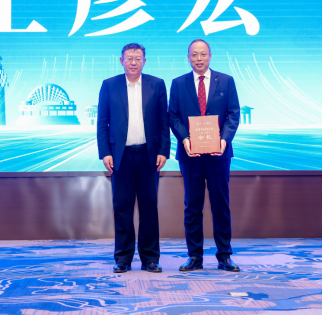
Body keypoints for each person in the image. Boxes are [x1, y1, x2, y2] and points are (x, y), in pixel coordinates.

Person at [97, 43, 171, 273]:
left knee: (149, 207)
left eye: (138, 58)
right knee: (122, 207)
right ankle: (123, 259)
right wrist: (105, 152)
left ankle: (150, 259)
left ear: (144, 61)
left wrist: (164, 150)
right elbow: (102, 122)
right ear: (121, 61)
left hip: (149, 155)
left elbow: (163, 121)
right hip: (120, 156)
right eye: (129, 58)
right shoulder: (109, 85)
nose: (133, 62)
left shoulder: (157, 84)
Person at [168, 39, 241, 272]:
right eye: (194, 55)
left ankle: (224, 256)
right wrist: (185, 139)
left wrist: (223, 140)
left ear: (210, 55)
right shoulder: (178, 83)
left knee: (221, 204)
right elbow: (173, 116)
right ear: (188, 57)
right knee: (192, 206)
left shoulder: (226, 81)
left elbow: (233, 114)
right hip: (190, 154)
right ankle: (194, 257)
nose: (198, 59)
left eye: (203, 54)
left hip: (219, 153)